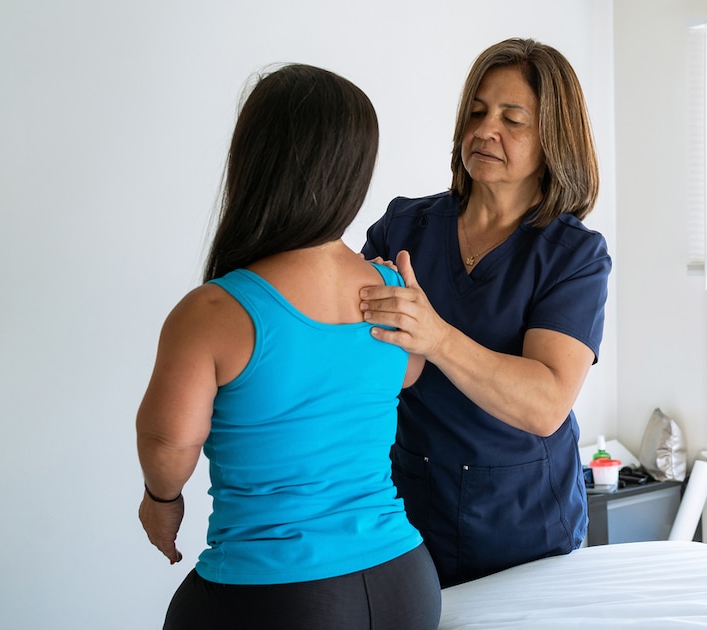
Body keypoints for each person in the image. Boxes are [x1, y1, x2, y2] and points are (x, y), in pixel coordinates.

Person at [135, 63, 440, 629]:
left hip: (279, 594)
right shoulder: (390, 292)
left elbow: (168, 442)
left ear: (254, 164)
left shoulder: (211, 313)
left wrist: (161, 502)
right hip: (405, 582)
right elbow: (408, 371)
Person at [359, 38, 611, 587]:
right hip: (409, 515)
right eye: (476, 113)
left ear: (554, 139)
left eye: (512, 119)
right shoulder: (404, 228)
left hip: (526, 528)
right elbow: (357, 356)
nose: (485, 130)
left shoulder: (573, 256)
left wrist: (435, 337)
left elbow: (546, 403)